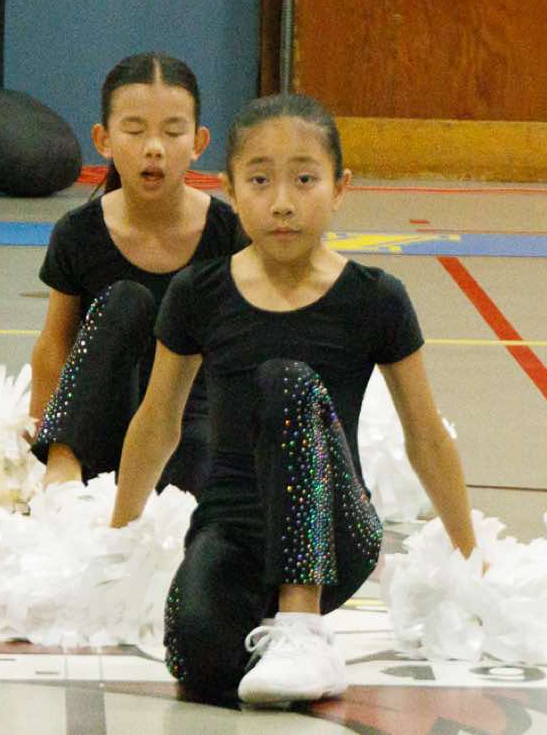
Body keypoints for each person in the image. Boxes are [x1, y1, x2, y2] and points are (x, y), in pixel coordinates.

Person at [109, 93, 474, 707]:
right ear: (229, 189)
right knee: (199, 661)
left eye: (304, 180)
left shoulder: (375, 298)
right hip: (234, 527)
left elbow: (426, 435)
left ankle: (302, 623)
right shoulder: (199, 292)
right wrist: (116, 540)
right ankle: (263, 619)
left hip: (336, 532)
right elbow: (157, 421)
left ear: (339, 188)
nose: (282, 202)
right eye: (260, 181)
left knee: (284, 381)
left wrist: (471, 557)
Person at [28, 53, 243, 491]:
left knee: (192, 477)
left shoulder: (229, 234)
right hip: (100, 423)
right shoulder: (78, 232)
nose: (154, 147)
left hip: (187, 424)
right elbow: (54, 346)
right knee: (126, 299)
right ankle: (64, 470)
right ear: (103, 139)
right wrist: (40, 449)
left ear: (199, 141)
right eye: (135, 130)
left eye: (173, 131)